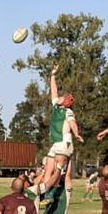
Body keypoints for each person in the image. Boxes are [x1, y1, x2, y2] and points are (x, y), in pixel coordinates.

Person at [36, 65, 83, 196]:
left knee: (59, 171)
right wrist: (53, 75)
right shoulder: (57, 107)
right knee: (48, 170)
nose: (61, 96)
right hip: (55, 144)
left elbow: (72, 123)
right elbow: (54, 90)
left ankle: (54, 196)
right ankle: (43, 195)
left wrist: (77, 134)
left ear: (66, 102)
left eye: (64, 97)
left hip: (64, 143)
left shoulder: (68, 111)